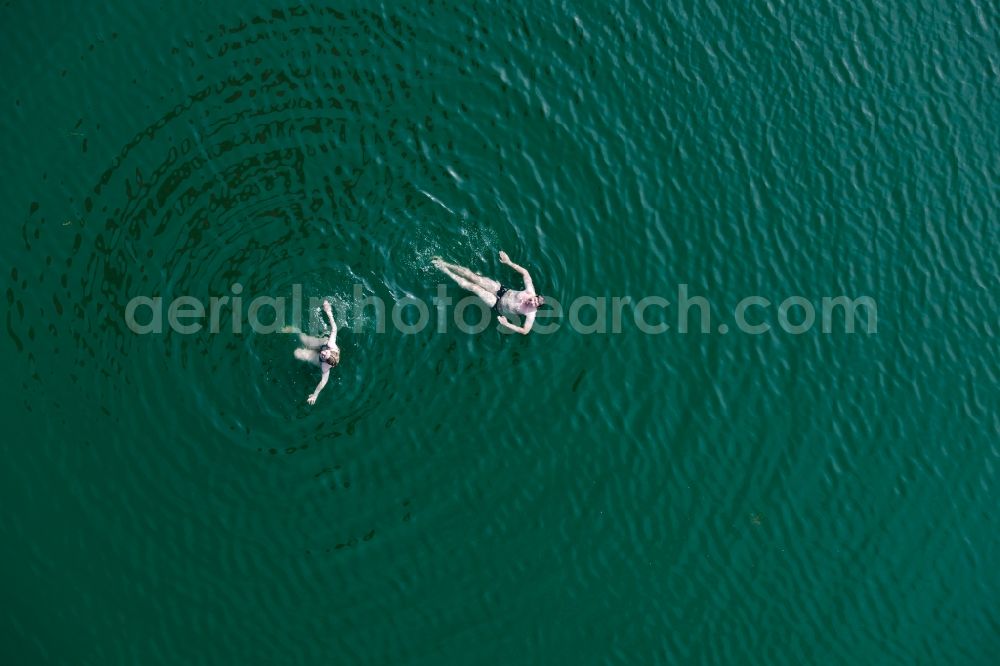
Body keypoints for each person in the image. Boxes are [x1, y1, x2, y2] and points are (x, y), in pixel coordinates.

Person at [433, 250, 544, 335]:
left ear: (536, 307)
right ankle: (446, 263)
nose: (532, 301)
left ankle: (445, 270)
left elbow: (525, 330)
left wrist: (507, 324)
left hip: (497, 304)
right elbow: (526, 273)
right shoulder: (530, 291)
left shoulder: (531, 313)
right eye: (534, 299)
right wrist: (509, 262)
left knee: (474, 287)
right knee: (473, 276)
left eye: (535, 303)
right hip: (501, 290)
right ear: (535, 296)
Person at [282, 299, 340, 404]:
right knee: (303, 339)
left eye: (324, 356)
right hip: (324, 344)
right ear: (330, 351)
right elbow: (334, 329)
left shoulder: (325, 367)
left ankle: (310, 352)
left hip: (319, 361)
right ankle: (294, 329)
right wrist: (328, 312)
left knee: (297, 353)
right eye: (325, 353)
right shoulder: (331, 345)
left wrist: (315, 395)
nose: (323, 353)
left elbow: (323, 381)